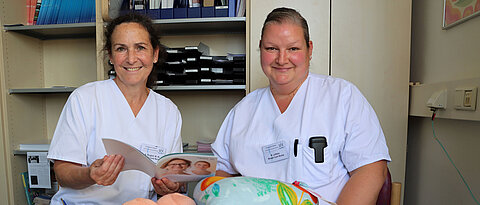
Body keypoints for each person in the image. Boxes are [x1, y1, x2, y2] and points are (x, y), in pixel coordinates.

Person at [211, 7, 391, 204]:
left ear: (309, 49)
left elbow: (371, 169)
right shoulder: (242, 111)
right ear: (260, 49)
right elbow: (221, 172)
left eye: (293, 49)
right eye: (271, 48)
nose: (281, 59)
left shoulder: (342, 97)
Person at [47, 13, 184, 205]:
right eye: (121, 49)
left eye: (140, 48)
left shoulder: (168, 111)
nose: (131, 59)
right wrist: (90, 174)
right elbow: (62, 173)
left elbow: (174, 177)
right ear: (111, 56)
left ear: (154, 54)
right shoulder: (85, 98)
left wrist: (170, 186)